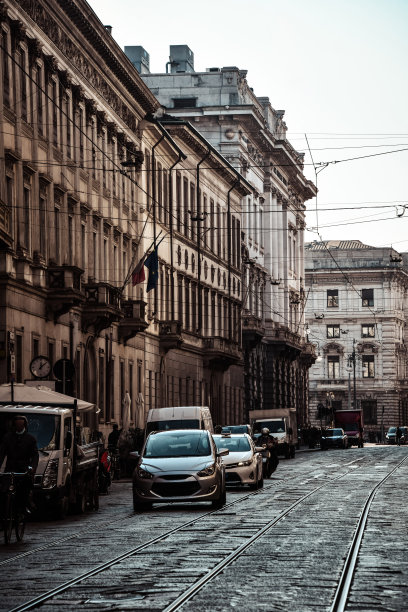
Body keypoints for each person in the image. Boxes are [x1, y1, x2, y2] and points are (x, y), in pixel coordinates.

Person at [0, 414, 39, 513]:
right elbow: (1, 453)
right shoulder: (7, 438)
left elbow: (35, 455)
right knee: (3, 490)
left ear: (24, 425)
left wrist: (32, 468)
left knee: (24, 490)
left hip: (23, 470)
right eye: (17, 425)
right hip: (10, 468)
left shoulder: (30, 439)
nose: (18, 427)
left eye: (20, 425)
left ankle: (25, 505)